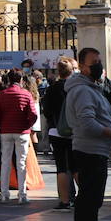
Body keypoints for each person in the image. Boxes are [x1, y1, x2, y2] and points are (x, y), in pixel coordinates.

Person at [61, 46, 111, 221]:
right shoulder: (82, 90)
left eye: (99, 61)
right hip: (90, 150)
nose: (99, 65)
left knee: (90, 199)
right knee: (90, 200)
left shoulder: (89, 88)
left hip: (95, 149)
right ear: (81, 66)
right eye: (94, 62)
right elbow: (87, 123)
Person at [0, 68, 38, 204]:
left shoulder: (1, 95)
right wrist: (27, 125)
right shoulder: (26, 94)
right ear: (21, 80)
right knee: (21, 163)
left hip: (5, 131)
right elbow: (34, 114)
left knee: (5, 162)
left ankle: (4, 193)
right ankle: (22, 194)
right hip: (22, 132)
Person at [41, 58, 75, 211]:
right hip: (75, 132)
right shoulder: (75, 88)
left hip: (56, 131)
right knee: (76, 167)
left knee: (61, 167)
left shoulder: (52, 88)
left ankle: (64, 201)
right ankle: (86, 197)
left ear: (58, 71)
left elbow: (46, 111)